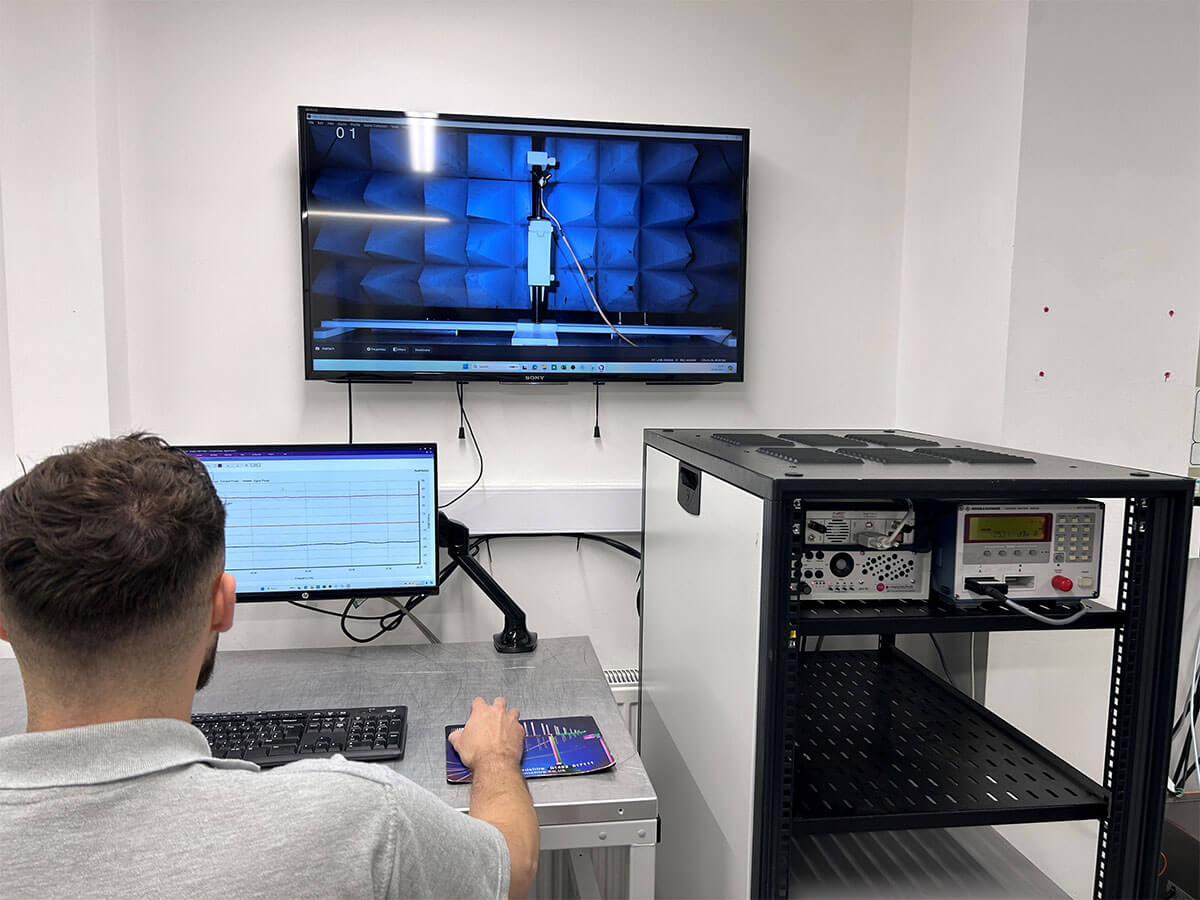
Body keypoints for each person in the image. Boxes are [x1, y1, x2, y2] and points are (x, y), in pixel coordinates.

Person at [0, 434, 539, 898]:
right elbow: (510, 869)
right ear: (222, 606)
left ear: (3, 621)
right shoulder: (357, 817)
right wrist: (494, 760)